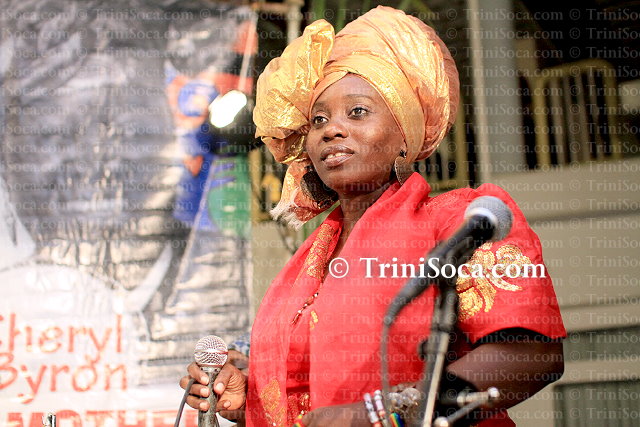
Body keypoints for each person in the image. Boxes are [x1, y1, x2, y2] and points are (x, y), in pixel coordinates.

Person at [180, 6, 566, 426]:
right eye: (319, 119)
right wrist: (247, 397)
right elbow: (308, 395)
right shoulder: (306, 265)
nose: (331, 129)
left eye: (357, 112)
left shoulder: (461, 220)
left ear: (404, 135)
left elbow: (532, 355)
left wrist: (381, 414)